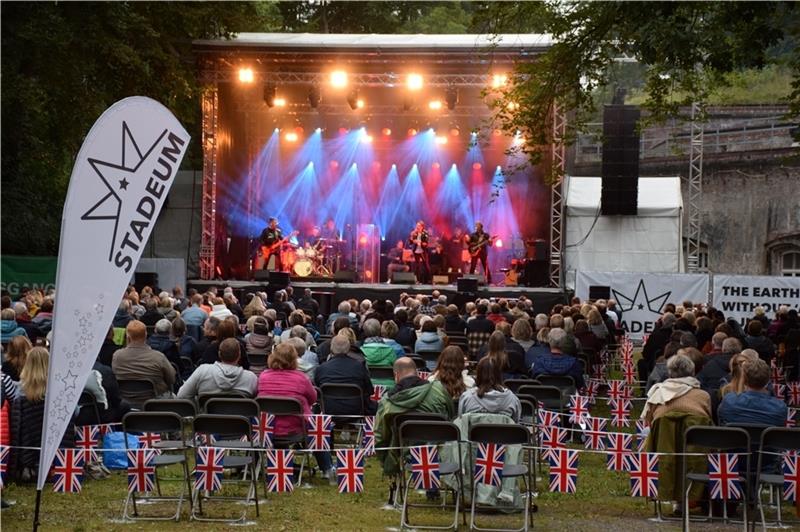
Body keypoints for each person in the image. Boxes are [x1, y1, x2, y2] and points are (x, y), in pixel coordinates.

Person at [257, 344, 334, 481]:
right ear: (294, 359)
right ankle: (327, 468)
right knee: (319, 426)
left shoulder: (263, 376)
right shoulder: (301, 378)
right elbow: (313, 398)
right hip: (297, 428)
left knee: (315, 424)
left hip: (269, 428)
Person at [374, 357, 455, 474]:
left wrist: (385, 461)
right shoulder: (439, 391)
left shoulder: (387, 402)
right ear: (416, 372)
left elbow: (380, 435)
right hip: (440, 452)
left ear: (396, 375)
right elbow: (451, 415)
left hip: (405, 454)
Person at [10, 347, 75, 482]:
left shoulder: (19, 391)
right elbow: (76, 412)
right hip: (58, 456)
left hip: (29, 456)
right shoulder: (61, 390)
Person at [111, 320, 176, 403]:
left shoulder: (117, 356)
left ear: (128, 337)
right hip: (155, 402)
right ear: (145, 335)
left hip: (126, 401)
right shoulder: (158, 357)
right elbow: (172, 379)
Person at [178, 338, 257, 402]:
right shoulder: (251, 378)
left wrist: (198, 406)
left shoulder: (203, 371)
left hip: (207, 420)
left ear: (219, 354)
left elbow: (182, 396)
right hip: (240, 421)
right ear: (239, 355)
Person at [641, 354, 711, 426]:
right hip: (695, 435)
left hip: (663, 435)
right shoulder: (704, 396)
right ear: (693, 372)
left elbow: (648, 422)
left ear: (669, 373)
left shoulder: (657, 395)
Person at [314, 336, 375, 415]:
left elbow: (317, 394)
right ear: (348, 348)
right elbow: (370, 390)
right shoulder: (359, 366)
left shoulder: (321, 368)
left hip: (329, 409)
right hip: (356, 409)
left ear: (331, 348)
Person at [718, 358, 787, 426]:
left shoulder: (729, 401)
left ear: (744, 380)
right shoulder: (780, 407)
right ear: (768, 380)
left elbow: (721, 422)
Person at [458, 356, 520, 421]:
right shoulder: (512, 400)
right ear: (499, 375)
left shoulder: (467, 398)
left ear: (478, 374)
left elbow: (461, 424)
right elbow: (516, 426)